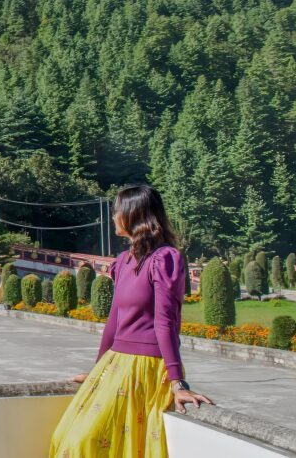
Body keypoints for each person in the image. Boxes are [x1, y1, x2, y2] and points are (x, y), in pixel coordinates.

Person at [50, 184, 213, 457]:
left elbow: (166, 323)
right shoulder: (124, 261)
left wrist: (177, 382)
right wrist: (97, 371)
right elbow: (114, 322)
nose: (114, 217)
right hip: (116, 363)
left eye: (117, 211)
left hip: (146, 367)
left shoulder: (164, 259)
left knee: (87, 443)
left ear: (134, 215)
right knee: (66, 437)